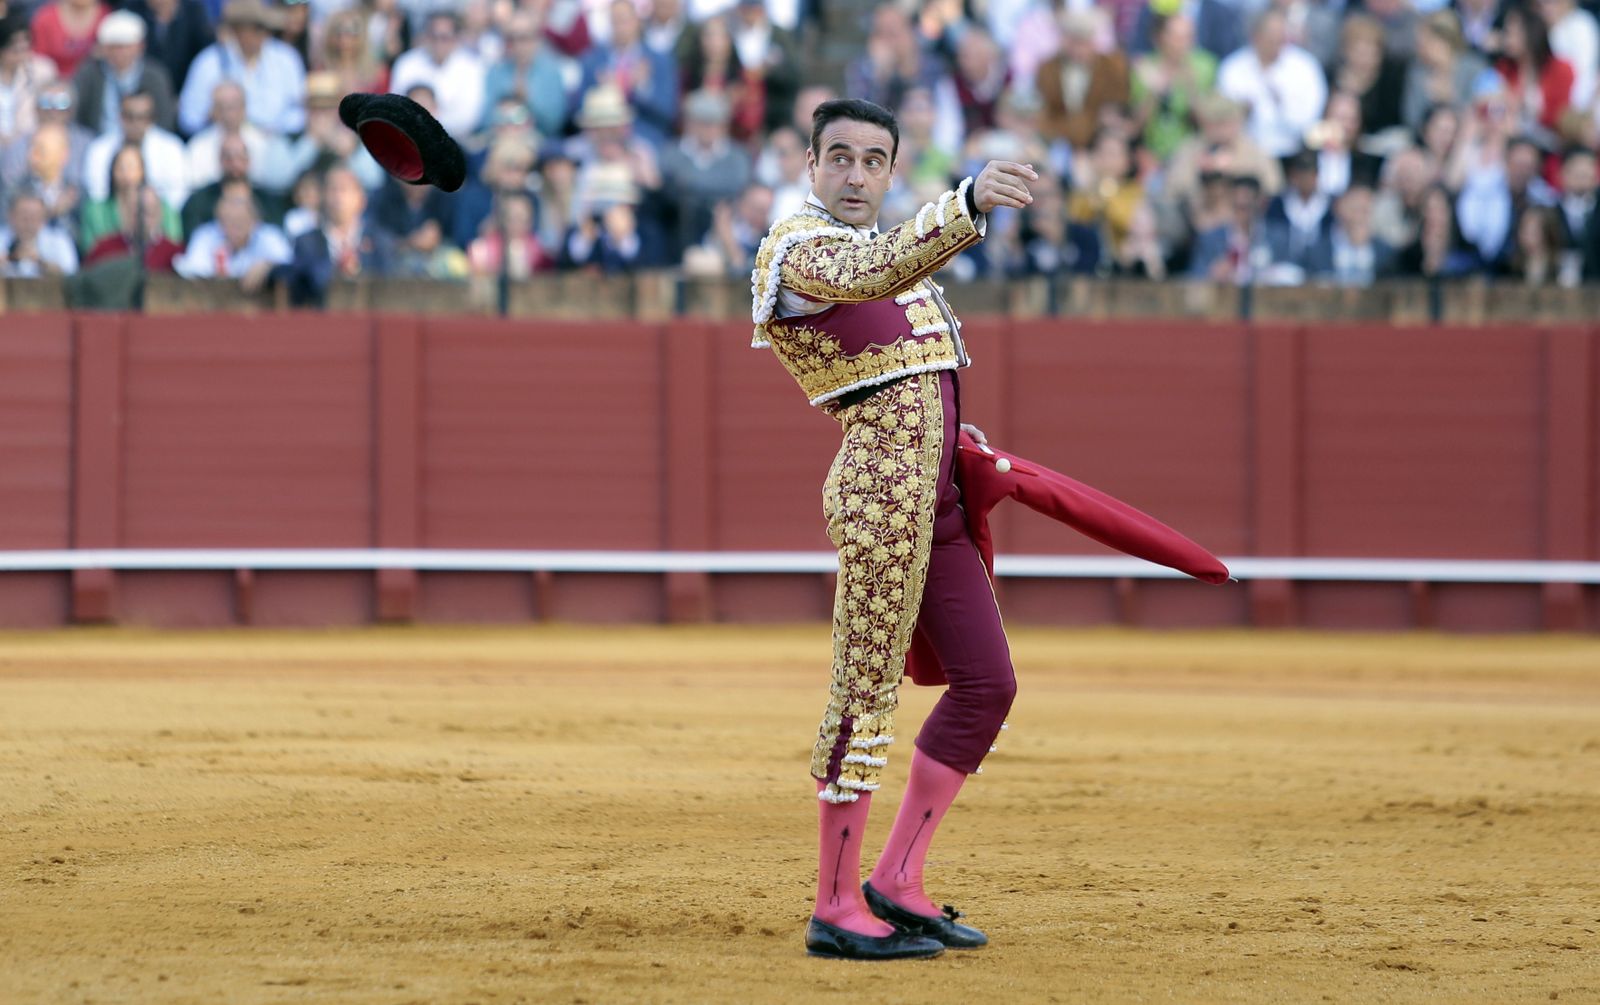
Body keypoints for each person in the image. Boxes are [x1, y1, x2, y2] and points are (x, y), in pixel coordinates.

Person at [749, 97, 1035, 961]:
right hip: (879, 500)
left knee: (988, 683)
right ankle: (835, 902)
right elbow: (868, 274)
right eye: (840, 157)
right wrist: (968, 201)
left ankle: (898, 879)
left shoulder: (893, 258)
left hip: (936, 496)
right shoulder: (796, 250)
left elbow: (909, 360)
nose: (856, 175)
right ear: (809, 165)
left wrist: (959, 436)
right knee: (863, 695)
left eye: (875, 161)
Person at [177, 0, 307, 138]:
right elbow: (189, 118)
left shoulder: (286, 58)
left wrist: (276, 131)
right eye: (257, 28)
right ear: (237, 30)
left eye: (266, 28)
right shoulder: (208, 63)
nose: (263, 34)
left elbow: (300, 110)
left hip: (277, 144)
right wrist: (212, 118)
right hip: (222, 144)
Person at [1216, 8, 1327, 159]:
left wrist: (1283, 104)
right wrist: (1243, 112)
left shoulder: (1305, 67)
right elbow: (1222, 116)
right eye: (1271, 38)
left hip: (1294, 153)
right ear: (1254, 37)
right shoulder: (1232, 69)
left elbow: (1309, 123)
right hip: (1243, 154)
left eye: (1281, 38)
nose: (1277, 44)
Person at [282, 163, 395, 305]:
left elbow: (388, 285)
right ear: (322, 197)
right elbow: (306, 284)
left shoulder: (381, 241)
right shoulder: (305, 241)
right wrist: (339, 267)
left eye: (344, 189)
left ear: (361, 199)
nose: (338, 196)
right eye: (332, 189)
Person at [172, 178, 291, 290]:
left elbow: (289, 262)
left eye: (240, 221)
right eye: (228, 222)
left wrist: (268, 265)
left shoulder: (269, 236)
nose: (234, 228)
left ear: (254, 220)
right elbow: (193, 268)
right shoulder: (205, 236)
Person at [72, 11, 175, 136]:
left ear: (140, 47)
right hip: (98, 141)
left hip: (146, 140)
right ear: (103, 48)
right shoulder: (89, 73)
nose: (119, 53)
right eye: (114, 47)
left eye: (125, 47)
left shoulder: (155, 76)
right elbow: (77, 114)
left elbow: (165, 118)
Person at [388, 9, 484, 141]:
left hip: (455, 142)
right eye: (433, 36)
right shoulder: (407, 63)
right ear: (425, 36)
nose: (438, 43)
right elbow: (394, 107)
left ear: (456, 38)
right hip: (407, 139)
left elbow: (467, 119)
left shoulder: (471, 67)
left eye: (444, 37)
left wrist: (423, 122)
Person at [81, 89, 186, 207]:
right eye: (129, 116)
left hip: (157, 218)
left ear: (152, 119)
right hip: (111, 218)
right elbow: (97, 195)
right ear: (120, 116)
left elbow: (177, 197)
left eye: (141, 117)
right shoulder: (99, 149)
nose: (135, 123)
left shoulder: (172, 148)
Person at [77, 140, 181, 249]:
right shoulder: (95, 210)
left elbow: (173, 243)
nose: (126, 173)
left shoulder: (164, 208)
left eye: (131, 167)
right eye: (121, 167)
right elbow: (90, 249)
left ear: (143, 171)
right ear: (112, 171)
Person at [125, 0, 213, 97]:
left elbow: (204, 52)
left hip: (185, 88)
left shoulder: (194, 11)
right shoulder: (132, 9)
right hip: (144, 91)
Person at [1, 186, 77, 275]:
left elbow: (71, 276)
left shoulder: (59, 241)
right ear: (10, 216)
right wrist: (11, 258)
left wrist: (40, 262)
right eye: (24, 217)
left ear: (44, 219)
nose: (29, 223)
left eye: (34, 217)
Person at [28, 0, 107, 80]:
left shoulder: (107, 18)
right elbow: (38, 60)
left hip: (93, 84)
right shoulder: (45, 19)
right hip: (51, 84)